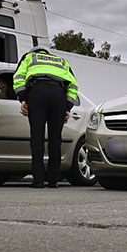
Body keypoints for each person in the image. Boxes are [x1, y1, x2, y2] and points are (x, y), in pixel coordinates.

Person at [13, 46, 79, 188]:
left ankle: (38, 180)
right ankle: (53, 181)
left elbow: (18, 77)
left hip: (38, 92)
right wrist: (67, 107)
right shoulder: (61, 61)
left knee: (37, 138)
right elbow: (73, 84)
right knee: (56, 139)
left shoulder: (29, 57)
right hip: (58, 93)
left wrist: (23, 98)